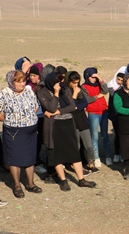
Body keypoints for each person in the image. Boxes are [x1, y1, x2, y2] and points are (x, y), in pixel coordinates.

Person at [37, 72, 96, 190]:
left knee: (73, 151)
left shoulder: (65, 89)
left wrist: (58, 112)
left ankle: (81, 179)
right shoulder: (42, 92)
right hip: (54, 126)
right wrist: (56, 94)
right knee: (57, 153)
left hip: (68, 123)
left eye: (60, 82)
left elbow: (72, 106)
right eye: (57, 82)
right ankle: (63, 180)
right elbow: (51, 107)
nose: (59, 85)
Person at [0, 71, 42, 199]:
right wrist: (10, 119)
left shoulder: (29, 91)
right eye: (18, 81)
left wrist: (27, 117)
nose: (22, 84)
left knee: (30, 158)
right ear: (12, 82)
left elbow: (35, 107)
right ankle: (17, 185)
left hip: (30, 131)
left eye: (23, 81)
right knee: (15, 159)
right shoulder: (4, 94)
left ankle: (30, 183)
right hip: (13, 132)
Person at [81, 68, 112, 167]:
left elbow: (106, 90)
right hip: (93, 113)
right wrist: (97, 96)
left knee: (105, 135)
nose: (94, 79)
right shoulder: (84, 87)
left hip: (103, 111)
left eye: (95, 77)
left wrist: (100, 79)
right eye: (92, 77)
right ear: (87, 76)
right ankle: (96, 157)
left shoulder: (99, 84)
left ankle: (108, 156)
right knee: (94, 137)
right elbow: (87, 100)